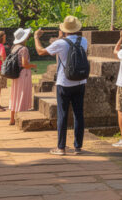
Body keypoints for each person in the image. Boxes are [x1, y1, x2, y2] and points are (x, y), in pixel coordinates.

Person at [34, 15, 88, 156]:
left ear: (64, 30)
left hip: (64, 83)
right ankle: (78, 147)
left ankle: (61, 147)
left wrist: (36, 38)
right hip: (80, 81)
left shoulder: (60, 43)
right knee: (78, 114)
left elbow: (41, 51)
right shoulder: (84, 41)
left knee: (63, 114)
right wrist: (62, 37)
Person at [8, 27, 35, 126]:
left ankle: (12, 118)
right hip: (24, 74)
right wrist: (33, 66)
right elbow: (24, 64)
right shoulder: (24, 49)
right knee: (22, 94)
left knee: (15, 95)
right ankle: (21, 117)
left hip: (15, 74)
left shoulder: (14, 48)